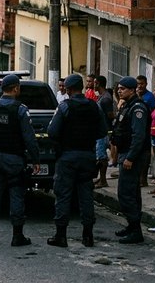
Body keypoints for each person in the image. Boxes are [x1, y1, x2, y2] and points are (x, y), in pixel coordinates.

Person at [0, 74, 40, 246]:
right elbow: (29, 138)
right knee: (16, 195)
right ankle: (17, 236)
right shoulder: (20, 109)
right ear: (15, 88)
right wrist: (36, 159)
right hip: (15, 159)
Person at [46, 74, 108, 248]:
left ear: (68, 88)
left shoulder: (65, 107)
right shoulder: (94, 106)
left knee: (63, 195)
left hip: (67, 156)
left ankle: (61, 235)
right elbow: (103, 131)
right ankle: (88, 235)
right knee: (86, 196)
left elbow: (52, 131)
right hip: (87, 156)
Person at [110, 76, 150, 244]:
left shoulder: (137, 108)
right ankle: (132, 226)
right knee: (132, 193)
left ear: (132, 90)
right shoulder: (127, 106)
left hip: (132, 156)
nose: (119, 91)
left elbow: (138, 136)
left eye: (123, 89)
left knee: (126, 193)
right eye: (119, 88)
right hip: (125, 153)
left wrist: (130, 158)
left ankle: (136, 230)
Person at [93, 76, 114, 189]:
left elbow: (110, 115)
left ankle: (103, 180)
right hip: (100, 130)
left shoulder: (105, 98)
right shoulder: (101, 97)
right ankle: (101, 178)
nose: (93, 85)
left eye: (95, 83)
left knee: (102, 156)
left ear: (99, 84)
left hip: (104, 131)